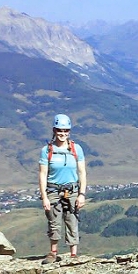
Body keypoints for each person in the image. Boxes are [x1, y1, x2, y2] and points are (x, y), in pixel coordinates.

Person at [38, 113, 86, 264]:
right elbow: (42, 174)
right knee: (54, 221)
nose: (62, 133)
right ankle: (53, 252)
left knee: (72, 220)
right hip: (53, 190)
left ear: (69, 131)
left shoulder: (76, 149)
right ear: (54, 130)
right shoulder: (47, 151)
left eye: (65, 131)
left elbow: (82, 172)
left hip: (72, 190)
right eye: (59, 130)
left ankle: (73, 254)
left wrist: (82, 194)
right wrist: (44, 196)